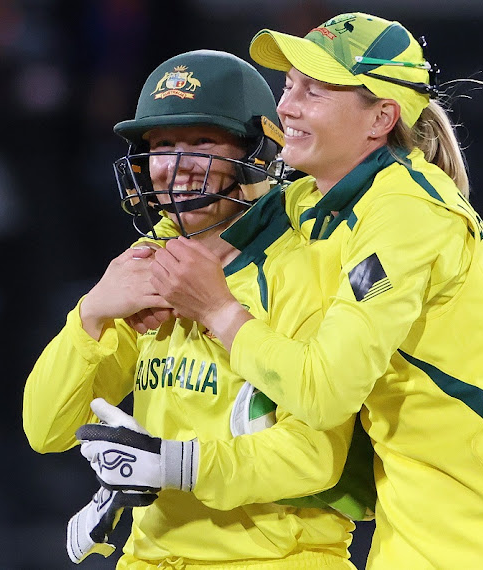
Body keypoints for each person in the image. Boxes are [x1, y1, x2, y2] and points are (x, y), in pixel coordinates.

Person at [99, 13, 483, 569]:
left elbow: (325, 392)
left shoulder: (407, 216)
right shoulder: (315, 204)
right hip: (419, 530)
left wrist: (217, 311)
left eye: (315, 90)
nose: (287, 108)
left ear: (381, 118)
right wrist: (139, 287)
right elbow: (209, 223)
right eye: (290, 86)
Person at [23, 49, 372, 569]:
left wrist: (175, 465)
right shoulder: (146, 266)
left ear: (259, 152)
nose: (176, 165)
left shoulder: (306, 267)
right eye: (162, 145)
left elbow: (314, 458)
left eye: (202, 140)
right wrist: (91, 314)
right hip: (150, 558)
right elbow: (46, 429)